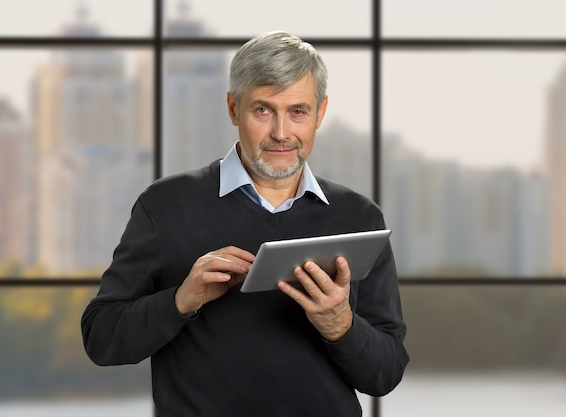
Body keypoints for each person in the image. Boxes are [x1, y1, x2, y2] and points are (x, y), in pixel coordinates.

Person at [81, 30, 408, 417]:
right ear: (233, 109)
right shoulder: (165, 206)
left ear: (320, 113)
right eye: (263, 110)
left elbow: (385, 374)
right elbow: (101, 339)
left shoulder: (359, 217)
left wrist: (340, 325)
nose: (282, 133)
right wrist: (180, 301)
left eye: (298, 111)